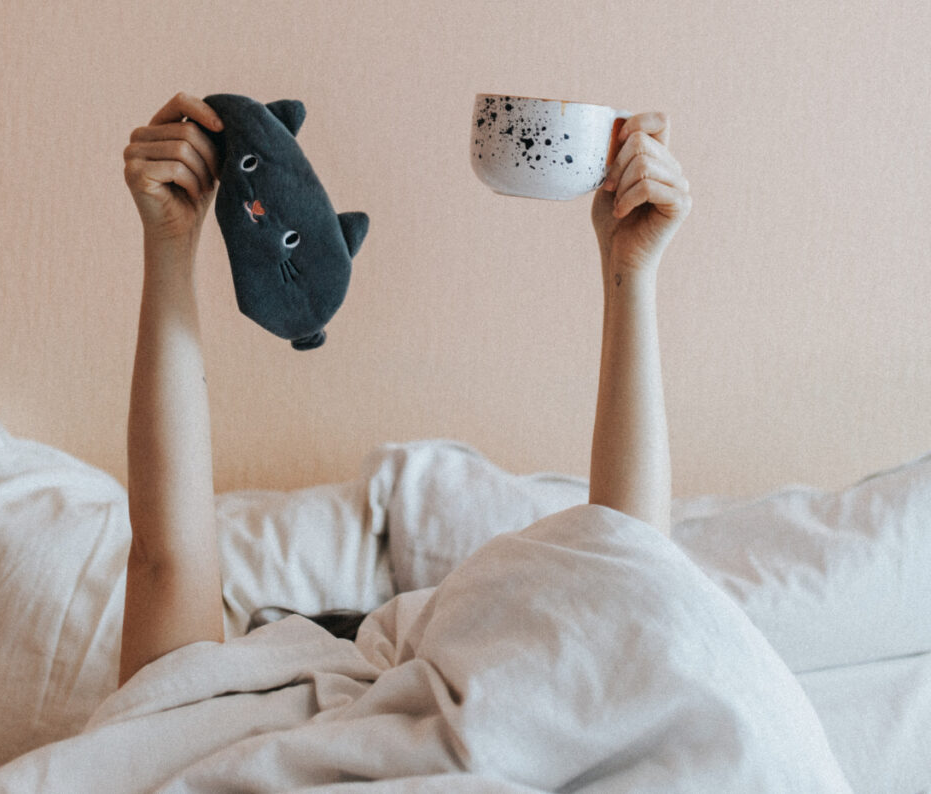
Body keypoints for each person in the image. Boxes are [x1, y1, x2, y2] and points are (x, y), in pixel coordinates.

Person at [118, 92, 691, 688]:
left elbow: (632, 575)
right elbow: (633, 573)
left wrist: (631, 262)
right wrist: (629, 271)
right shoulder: (256, 709)